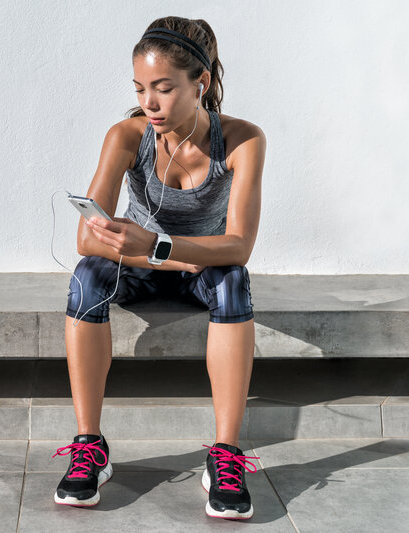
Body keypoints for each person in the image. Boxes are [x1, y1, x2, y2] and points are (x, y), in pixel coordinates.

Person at [51, 16, 265, 520]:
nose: (149, 102)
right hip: (143, 263)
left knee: (234, 283)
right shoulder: (127, 135)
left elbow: (238, 247)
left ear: (201, 84)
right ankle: (89, 445)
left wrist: (162, 244)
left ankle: (226, 454)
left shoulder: (242, 140)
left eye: (164, 88)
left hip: (203, 267)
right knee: (86, 277)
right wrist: (154, 252)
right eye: (141, 88)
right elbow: (87, 235)